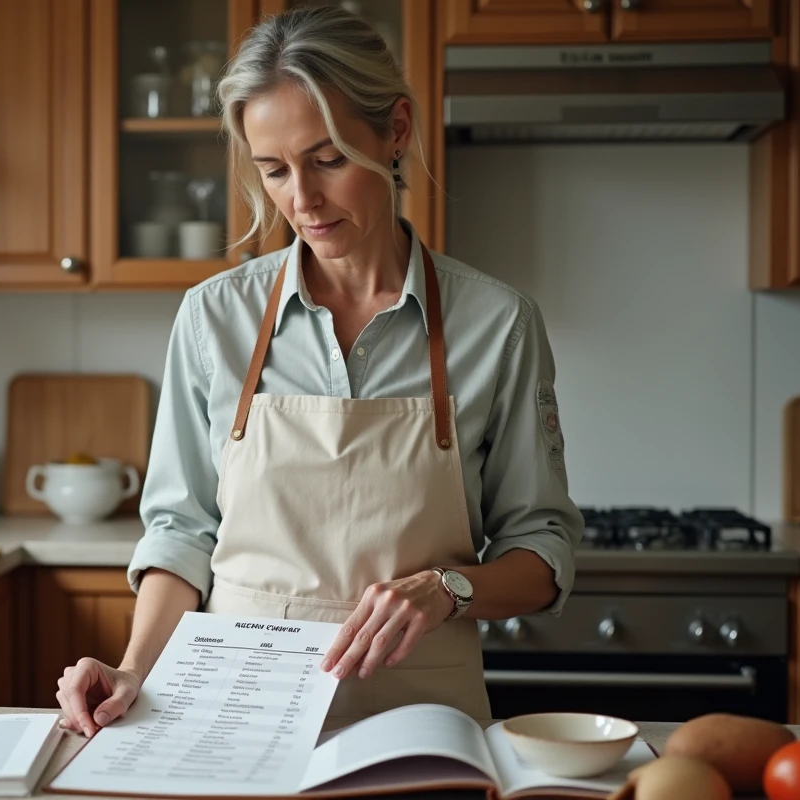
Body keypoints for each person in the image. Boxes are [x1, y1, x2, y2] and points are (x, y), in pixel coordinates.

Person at [56, 5, 583, 736]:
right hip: (235, 715)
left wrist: (448, 588)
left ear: (396, 131)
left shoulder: (499, 324)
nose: (301, 200)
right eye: (274, 170)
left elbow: (542, 548)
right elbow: (182, 531)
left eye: (328, 159)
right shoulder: (214, 317)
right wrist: (134, 668)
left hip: (420, 723)